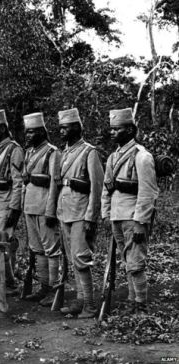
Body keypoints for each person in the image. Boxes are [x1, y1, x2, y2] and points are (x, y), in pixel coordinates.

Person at [101, 107, 159, 315]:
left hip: (133, 217)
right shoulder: (112, 157)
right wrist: (106, 215)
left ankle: (140, 304)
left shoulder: (142, 157)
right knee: (126, 261)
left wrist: (140, 222)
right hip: (117, 216)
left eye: (118, 129)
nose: (113, 133)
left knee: (135, 262)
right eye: (112, 129)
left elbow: (148, 192)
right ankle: (131, 299)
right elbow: (106, 189)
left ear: (131, 130)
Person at [56, 108, 104, 318]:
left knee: (81, 258)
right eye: (60, 128)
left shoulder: (89, 152)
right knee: (71, 258)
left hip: (81, 212)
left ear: (76, 128)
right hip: (65, 211)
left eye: (65, 127)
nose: (62, 131)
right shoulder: (65, 151)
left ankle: (91, 305)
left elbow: (97, 187)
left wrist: (91, 217)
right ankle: (81, 300)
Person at [21, 112, 62, 305]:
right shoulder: (29, 152)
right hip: (30, 206)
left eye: (31, 132)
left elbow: (54, 182)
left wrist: (51, 210)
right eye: (26, 132)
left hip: (45, 205)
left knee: (51, 249)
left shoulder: (52, 152)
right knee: (37, 249)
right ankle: (43, 286)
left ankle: (55, 289)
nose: (28, 136)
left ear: (41, 132)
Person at [0, 109, 24, 294]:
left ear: (3, 128)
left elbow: (18, 182)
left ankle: (8, 283)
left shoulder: (14, 149)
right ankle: (8, 278)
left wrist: (14, 209)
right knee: (5, 241)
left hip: (6, 203)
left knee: (0, 243)